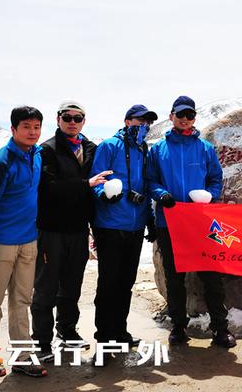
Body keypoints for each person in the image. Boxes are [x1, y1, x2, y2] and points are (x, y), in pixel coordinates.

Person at [147, 96, 236, 348]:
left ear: (194, 118)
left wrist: (210, 195)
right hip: (169, 222)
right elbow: (151, 180)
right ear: (172, 115)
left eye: (189, 115)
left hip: (202, 223)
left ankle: (220, 328)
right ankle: (177, 327)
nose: (185, 119)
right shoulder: (158, 149)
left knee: (212, 276)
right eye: (180, 115)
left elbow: (215, 179)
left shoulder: (205, 148)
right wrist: (160, 194)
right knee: (175, 277)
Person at [31, 101, 111, 361]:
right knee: (45, 287)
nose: (72, 122)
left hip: (79, 230)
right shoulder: (47, 150)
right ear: (58, 119)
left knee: (72, 285)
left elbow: (99, 186)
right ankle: (42, 342)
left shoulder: (90, 149)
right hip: (51, 230)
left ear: (84, 121)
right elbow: (47, 188)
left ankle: (66, 330)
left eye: (78, 118)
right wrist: (85, 184)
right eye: (68, 117)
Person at [0, 106, 48, 377]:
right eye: (26, 126)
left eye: (37, 127)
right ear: (13, 129)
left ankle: (23, 357)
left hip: (29, 241)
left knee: (22, 301)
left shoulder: (36, 156)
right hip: (1, 243)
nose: (32, 132)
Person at [89, 104, 158, 364]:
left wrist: (149, 220)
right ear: (127, 121)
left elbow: (146, 186)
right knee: (108, 283)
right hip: (109, 224)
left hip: (135, 224)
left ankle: (119, 331)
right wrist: (104, 195)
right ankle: (104, 338)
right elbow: (97, 179)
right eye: (140, 120)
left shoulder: (144, 149)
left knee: (126, 282)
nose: (144, 126)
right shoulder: (109, 146)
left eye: (147, 122)